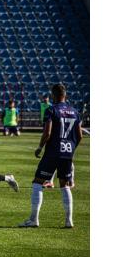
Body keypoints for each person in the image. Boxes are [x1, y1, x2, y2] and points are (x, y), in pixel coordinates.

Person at [19, 84, 83, 228]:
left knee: (37, 182)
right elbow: (79, 136)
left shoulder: (51, 110)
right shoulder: (75, 111)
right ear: (65, 95)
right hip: (67, 152)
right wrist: (71, 148)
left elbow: (47, 133)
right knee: (64, 185)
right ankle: (68, 221)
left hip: (53, 152)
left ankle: (34, 219)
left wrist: (40, 147)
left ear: (54, 95)